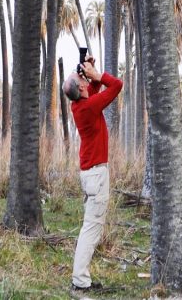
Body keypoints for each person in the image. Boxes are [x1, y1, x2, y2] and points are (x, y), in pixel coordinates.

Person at [62, 55, 123, 292]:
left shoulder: (79, 104)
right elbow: (116, 85)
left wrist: (92, 72)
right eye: (81, 78)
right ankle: (80, 280)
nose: (84, 78)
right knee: (92, 228)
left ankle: (81, 276)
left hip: (91, 174)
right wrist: (98, 75)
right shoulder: (88, 106)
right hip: (96, 176)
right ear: (82, 88)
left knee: (90, 226)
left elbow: (94, 90)